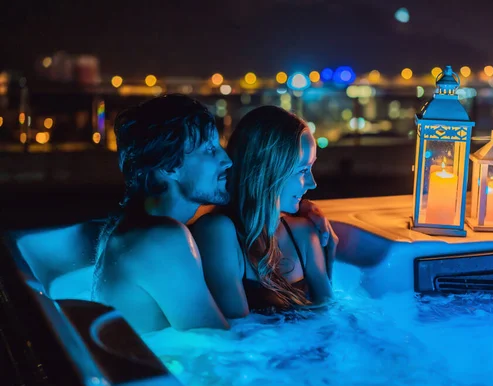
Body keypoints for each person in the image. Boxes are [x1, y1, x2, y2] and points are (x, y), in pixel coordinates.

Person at [92, 95, 337, 333]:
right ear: (169, 166)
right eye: (209, 149)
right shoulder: (163, 239)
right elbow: (225, 348)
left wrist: (302, 207)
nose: (227, 160)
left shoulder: (129, 226)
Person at [190, 106, 333, 318]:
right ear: (268, 171)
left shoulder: (303, 234)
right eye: (303, 170)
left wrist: (331, 248)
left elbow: (330, 318)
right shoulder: (218, 233)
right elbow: (238, 334)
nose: (312, 183)